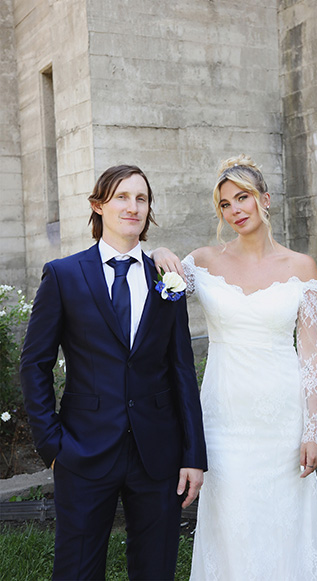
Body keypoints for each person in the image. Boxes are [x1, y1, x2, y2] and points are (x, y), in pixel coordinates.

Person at [152, 155, 317, 580]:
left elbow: (312, 354)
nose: (235, 209)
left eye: (243, 197)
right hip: (224, 415)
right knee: (232, 521)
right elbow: (160, 298)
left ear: (264, 200)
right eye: (225, 204)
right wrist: (158, 253)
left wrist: (314, 430)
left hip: (282, 417)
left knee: (286, 518)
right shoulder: (200, 262)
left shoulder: (301, 267)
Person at [18, 165, 207, 580]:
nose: (132, 206)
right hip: (82, 449)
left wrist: (193, 455)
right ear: (98, 205)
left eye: (141, 199)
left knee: (155, 569)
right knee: (77, 569)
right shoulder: (64, 275)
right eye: (122, 196)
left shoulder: (165, 277)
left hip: (158, 452)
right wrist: (51, 444)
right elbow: (34, 364)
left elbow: (181, 368)